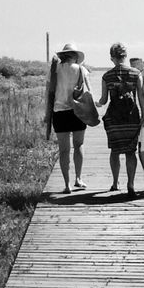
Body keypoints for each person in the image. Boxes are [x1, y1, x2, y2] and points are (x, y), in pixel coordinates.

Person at [99, 42, 144, 195]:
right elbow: (141, 97)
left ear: (112, 58)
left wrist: (94, 103)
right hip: (131, 117)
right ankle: (131, 184)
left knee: (114, 151)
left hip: (114, 119)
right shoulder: (136, 74)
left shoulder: (107, 76)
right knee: (130, 152)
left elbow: (104, 100)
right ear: (125, 56)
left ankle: (115, 183)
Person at [45, 42, 90, 194]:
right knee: (79, 145)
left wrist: (47, 114)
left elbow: (48, 93)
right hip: (77, 111)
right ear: (76, 56)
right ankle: (78, 178)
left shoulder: (54, 70)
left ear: (63, 55)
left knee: (64, 150)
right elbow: (88, 92)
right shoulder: (81, 70)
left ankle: (67, 184)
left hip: (59, 112)